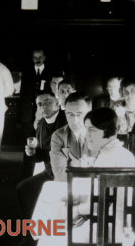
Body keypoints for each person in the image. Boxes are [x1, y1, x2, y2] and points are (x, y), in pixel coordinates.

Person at [21, 107, 135, 246]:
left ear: (107, 131)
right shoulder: (118, 153)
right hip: (114, 222)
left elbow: (99, 203)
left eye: (91, 130)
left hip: (108, 229)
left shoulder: (110, 158)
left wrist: (76, 208)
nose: (87, 135)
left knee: (50, 244)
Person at [16, 90, 67, 218]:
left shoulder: (66, 120)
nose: (44, 107)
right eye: (40, 104)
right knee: (23, 188)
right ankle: (31, 228)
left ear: (57, 103)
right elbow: (42, 155)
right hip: (49, 171)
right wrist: (32, 153)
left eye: (47, 102)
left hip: (63, 172)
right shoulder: (41, 124)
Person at [49, 92, 93, 182]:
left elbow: (105, 170)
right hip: (66, 187)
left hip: (95, 187)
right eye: (70, 114)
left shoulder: (100, 133)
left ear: (89, 112)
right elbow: (60, 173)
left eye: (79, 114)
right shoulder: (58, 136)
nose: (75, 121)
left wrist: (73, 166)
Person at [20, 48, 54, 137]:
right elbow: (22, 94)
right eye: (35, 57)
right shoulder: (26, 72)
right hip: (28, 113)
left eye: (40, 57)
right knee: (27, 139)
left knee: (42, 136)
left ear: (44, 58)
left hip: (43, 111)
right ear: (32, 59)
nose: (37, 59)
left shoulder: (51, 72)